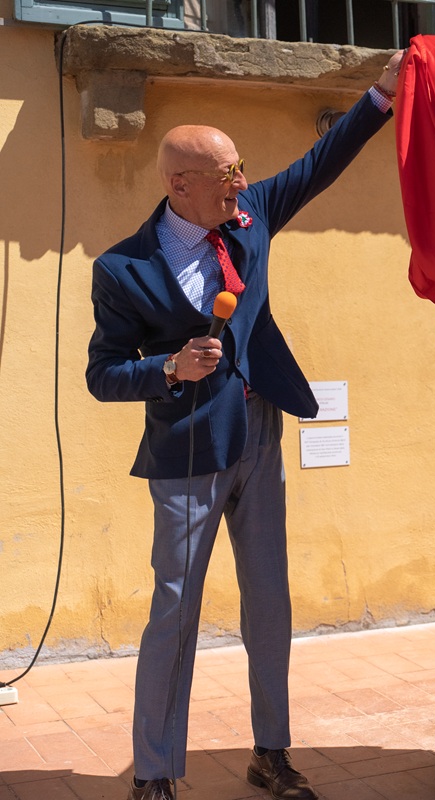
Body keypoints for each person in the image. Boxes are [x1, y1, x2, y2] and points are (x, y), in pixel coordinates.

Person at [85, 50, 406, 800]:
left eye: (240, 170)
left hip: (259, 438)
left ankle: (272, 753)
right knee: (176, 612)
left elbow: (319, 163)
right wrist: (168, 369)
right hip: (185, 454)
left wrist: (381, 95)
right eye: (225, 174)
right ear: (179, 184)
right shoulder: (123, 269)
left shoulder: (251, 217)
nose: (239, 182)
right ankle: (155, 772)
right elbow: (102, 375)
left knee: (270, 603)